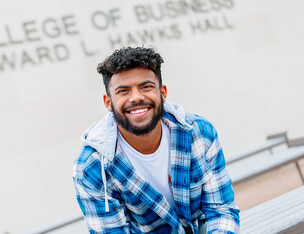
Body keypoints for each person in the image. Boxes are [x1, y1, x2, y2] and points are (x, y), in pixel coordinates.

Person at [73, 47, 240, 233]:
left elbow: (221, 211)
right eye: (123, 91)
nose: (136, 97)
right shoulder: (92, 167)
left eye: (146, 87)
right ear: (108, 102)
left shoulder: (199, 133)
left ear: (163, 92)